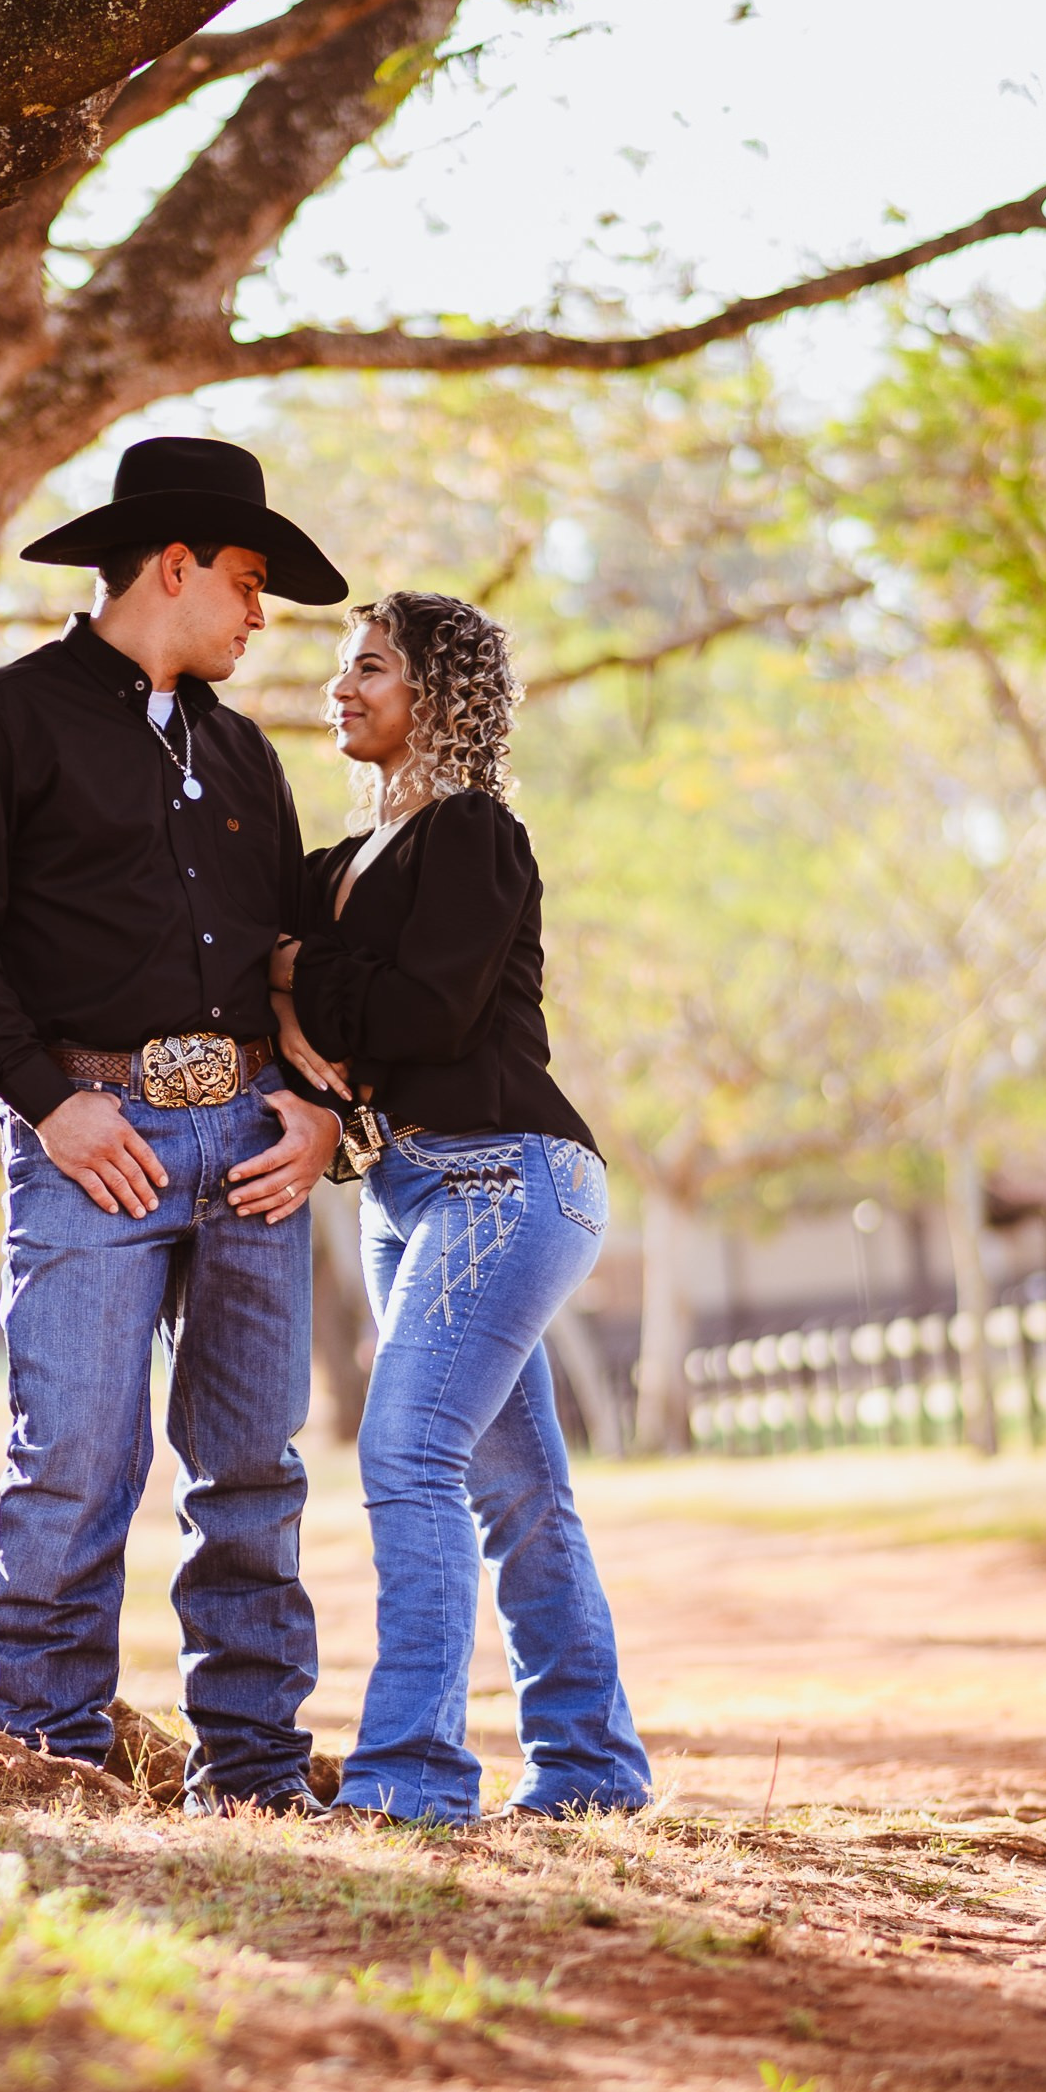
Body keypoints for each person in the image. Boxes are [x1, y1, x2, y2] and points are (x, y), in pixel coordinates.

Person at [0, 435, 344, 1811]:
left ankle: (254, 1770)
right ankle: (44, 1764)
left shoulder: (248, 752)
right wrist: (51, 1104)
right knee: (78, 1458)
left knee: (254, 1468)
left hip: (255, 1143)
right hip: (95, 1136)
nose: (264, 616)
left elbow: (289, 953)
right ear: (175, 565)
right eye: (251, 582)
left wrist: (316, 1108)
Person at [270, 591, 653, 1826]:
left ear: (434, 697)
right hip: (400, 1190)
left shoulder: (476, 836)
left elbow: (423, 1015)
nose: (341, 688)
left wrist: (300, 980)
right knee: (517, 1490)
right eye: (342, 667)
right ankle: (590, 1770)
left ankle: (413, 1777)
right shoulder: (342, 865)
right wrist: (292, 992)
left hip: (506, 1176)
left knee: (404, 1454)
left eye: (369, 668)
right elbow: (287, 977)